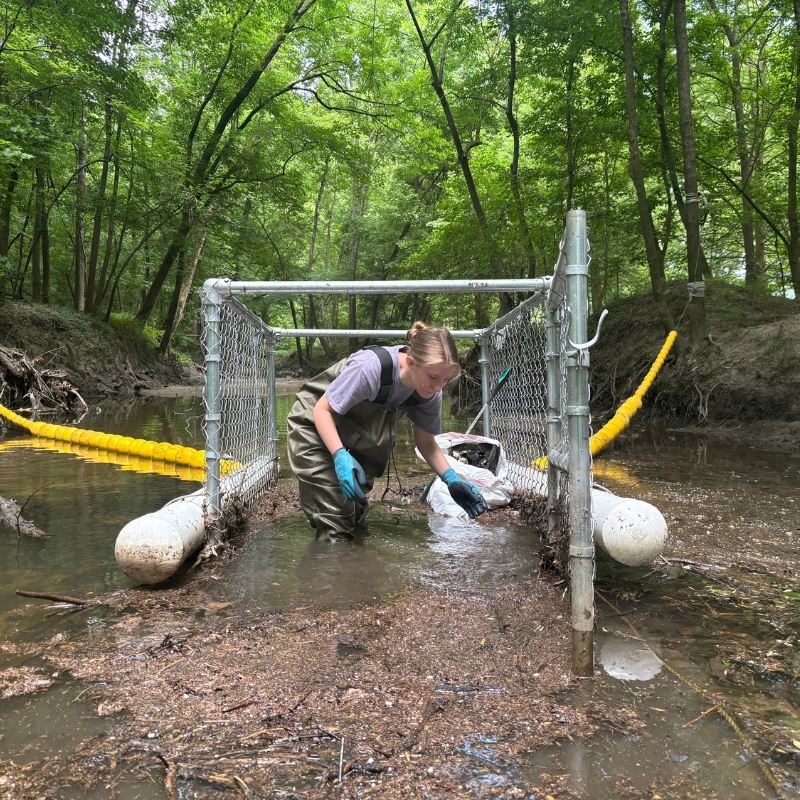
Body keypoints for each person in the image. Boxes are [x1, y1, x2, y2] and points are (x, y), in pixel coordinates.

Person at [287, 321, 488, 538]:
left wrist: (451, 478)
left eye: (446, 380)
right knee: (336, 520)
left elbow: (426, 443)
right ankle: (331, 555)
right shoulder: (370, 368)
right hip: (312, 426)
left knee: (354, 514)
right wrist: (339, 455)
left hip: (350, 434)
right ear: (410, 362)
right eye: (433, 377)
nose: (439, 387)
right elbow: (322, 411)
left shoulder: (430, 392)